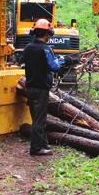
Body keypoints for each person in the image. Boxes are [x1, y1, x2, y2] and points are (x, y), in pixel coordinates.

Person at [23, 18, 67, 156]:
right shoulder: (45, 49)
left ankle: (43, 144)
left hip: (29, 87)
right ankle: (36, 149)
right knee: (39, 120)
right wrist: (65, 60)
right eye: (49, 34)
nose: (49, 37)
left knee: (36, 117)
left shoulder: (28, 48)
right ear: (46, 34)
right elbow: (54, 67)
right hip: (41, 89)